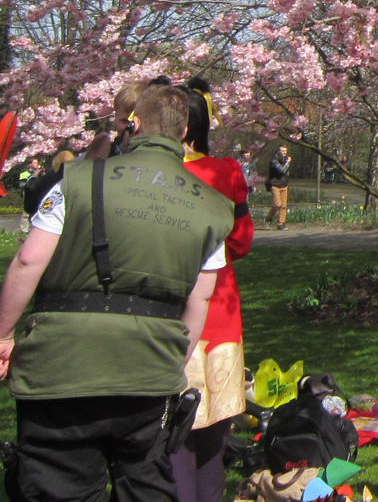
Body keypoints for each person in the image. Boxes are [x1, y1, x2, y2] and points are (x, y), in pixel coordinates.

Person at [0, 83, 234, 502]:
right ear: (183, 134)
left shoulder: (76, 179)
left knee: (58, 485)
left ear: (134, 124)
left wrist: (2, 334)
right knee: (145, 484)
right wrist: (172, 363)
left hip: (60, 368)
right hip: (147, 371)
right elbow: (199, 299)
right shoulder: (214, 208)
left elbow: (28, 261)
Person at [174, 82, 254, 502]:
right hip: (219, 309)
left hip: (168, 309)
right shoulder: (227, 172)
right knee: (214, 433)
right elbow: (241, 241)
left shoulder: (151, 173)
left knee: (174, 430)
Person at [265, 144, 291, 229]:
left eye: (285, 151)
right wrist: (288, 162)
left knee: (283, 205)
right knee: (277, 204)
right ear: (278, 151)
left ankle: (280, 223)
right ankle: (268, 218)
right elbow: (282, 170)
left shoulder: (286, 159)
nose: (284, 152)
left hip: (284, 184)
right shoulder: (274, 160)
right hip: (275, 184)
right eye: (282, 151)